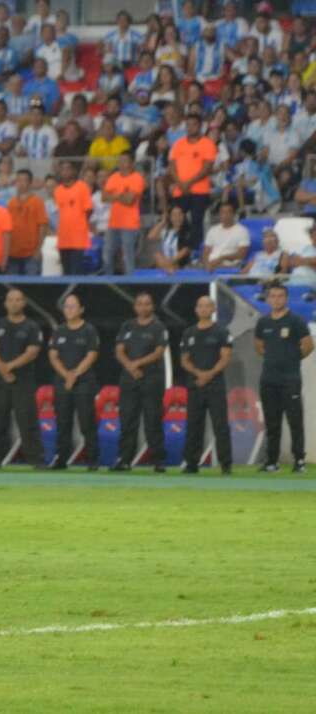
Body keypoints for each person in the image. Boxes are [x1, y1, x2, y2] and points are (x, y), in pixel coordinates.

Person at [255, 283, 313, 473]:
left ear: (286, 298)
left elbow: (308, 345)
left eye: (280, 296)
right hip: (268, 379)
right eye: (273, 296)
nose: (276, 299)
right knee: (272, 422)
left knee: (294, 421)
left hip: (290, 379)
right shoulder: (263, 323)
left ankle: (299, 461)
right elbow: (259, 346)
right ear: (268, 299)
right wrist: (273, 358)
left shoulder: (296, 321)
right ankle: (271, 461)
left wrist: (292, 358)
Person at [0, 289, 45, 469]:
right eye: (11, 300)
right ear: (6, 303)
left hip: (23, 380)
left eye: (18, 300)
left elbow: (32, 352)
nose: (14, 303)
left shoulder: (31, 327)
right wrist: (2, 370)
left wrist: (9, 367)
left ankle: (36, 460)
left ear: (24, 303)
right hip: (0, 380)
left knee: (27, 419)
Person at [113, 292, 168, 472]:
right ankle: (124, 460)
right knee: (128, 420)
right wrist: (130, 366)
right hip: (129, 380)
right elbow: (119, 350)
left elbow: (159, 352)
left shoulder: (158, 327)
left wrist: (138, 363)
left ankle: (158, 461)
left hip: (152, 379)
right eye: (139, 304)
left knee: (153, 420)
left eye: (147, 304)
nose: (143, 307)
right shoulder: (127, 326)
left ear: (152, 306)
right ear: (135, 306)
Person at [180, 295, 233, 475]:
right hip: (195, 384)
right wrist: (198, 374)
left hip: (215, 385)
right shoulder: (189, 333)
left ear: (213, 310)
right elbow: (184, 360)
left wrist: (209, 374)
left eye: (207, 306)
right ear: (196, 310)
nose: (204, 309)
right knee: (194, 425)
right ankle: (191, 464)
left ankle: (226, 465)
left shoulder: (222, 332)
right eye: (200, 306)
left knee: (220, 425)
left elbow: (225, 357)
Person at [48, 294, 99, 470]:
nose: (69, 310)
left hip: (84, 382)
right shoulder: (59, 330)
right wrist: (66, 375)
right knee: (62, 422)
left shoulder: (89, 330)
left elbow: (91, 355)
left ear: (81, 309)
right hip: (62, 382)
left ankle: (92, 459)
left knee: (87, 422)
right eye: (66, 306)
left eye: (73, 306)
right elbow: (53, 356)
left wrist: (74, 374)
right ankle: (61, 458)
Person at [168, 113, 217, 253]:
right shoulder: (178, 144)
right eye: (188, 125)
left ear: (200, 126)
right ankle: (178, 252)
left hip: (199, 191)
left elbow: (207, 167)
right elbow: (172, 165)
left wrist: (189, 182)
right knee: (178, 222)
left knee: (197, 221)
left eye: (194, 124)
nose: (190, 128)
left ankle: (195, 252)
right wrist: (179, 182)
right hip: (180, 190)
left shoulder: (207, 144)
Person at [102, 152, 146, 275]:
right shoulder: (113, 177)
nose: (122, 164)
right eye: (120, 161)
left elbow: (129, 201)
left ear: (132, 163)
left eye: (125, 161)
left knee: (128, 257)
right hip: (114, 223)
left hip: (130, 224)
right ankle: (108, 280)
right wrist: (121, 195)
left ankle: (130, 282)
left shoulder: (137, 178)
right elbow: (104, 197)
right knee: (107, 254)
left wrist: (114, 195)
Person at [54, 160, 93, 275]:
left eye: (68, 168)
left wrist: (79, 225)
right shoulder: (58, 190)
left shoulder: (82, 187)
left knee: (77, 272)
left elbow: (89, 210)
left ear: (74, 171)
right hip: (63, 238)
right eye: (62, 169)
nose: (65, 172)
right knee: (66, 272)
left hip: (78, 239)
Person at [7, 169, 48, 275]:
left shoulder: (37, 202)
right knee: (13, 288)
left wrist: (38, 249)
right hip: (13, 254)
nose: (21, 184)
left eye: (24, 180)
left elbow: (42, 226)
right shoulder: (11, 203)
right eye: (18, 180)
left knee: (32, 288)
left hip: (31, 254)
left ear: (30, 183)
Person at [202, 202, 250, 272]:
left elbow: (241, 254)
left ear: (233, 214)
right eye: (222, 212)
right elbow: (206, 252)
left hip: (230, 266)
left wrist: (222, 258)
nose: (225, 215)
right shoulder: (212, 230)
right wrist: (207, 265)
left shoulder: (242, 231)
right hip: (211, 265)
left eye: (228, 212)